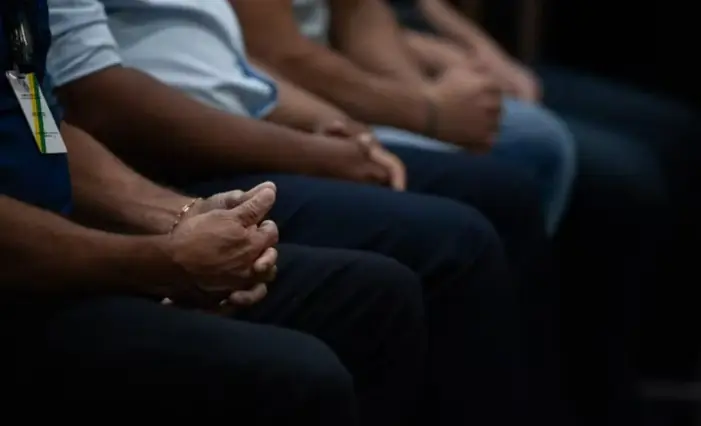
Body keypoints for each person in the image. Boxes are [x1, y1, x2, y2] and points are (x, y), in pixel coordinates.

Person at [46, 0, 568, 424]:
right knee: (464, 231)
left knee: (419, 259)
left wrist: (332, 126)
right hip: (171, 160)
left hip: (216, 143)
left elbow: (234, 66)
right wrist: (161, 243)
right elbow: (95, 101)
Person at [1, 1, 438, 422]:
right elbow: (96, 98)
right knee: (300, 378)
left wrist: (181, 216)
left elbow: (40, 126)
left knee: (375, 295)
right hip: (26, 288)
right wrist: (157, 262)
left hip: (66, 254)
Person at [232, 0, 576, 235]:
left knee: (539, 139)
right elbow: (279, 54)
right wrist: (428, 114)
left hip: (334, 84)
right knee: (499, 188)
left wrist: (427, 98)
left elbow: (359, 11)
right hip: (276, 106)